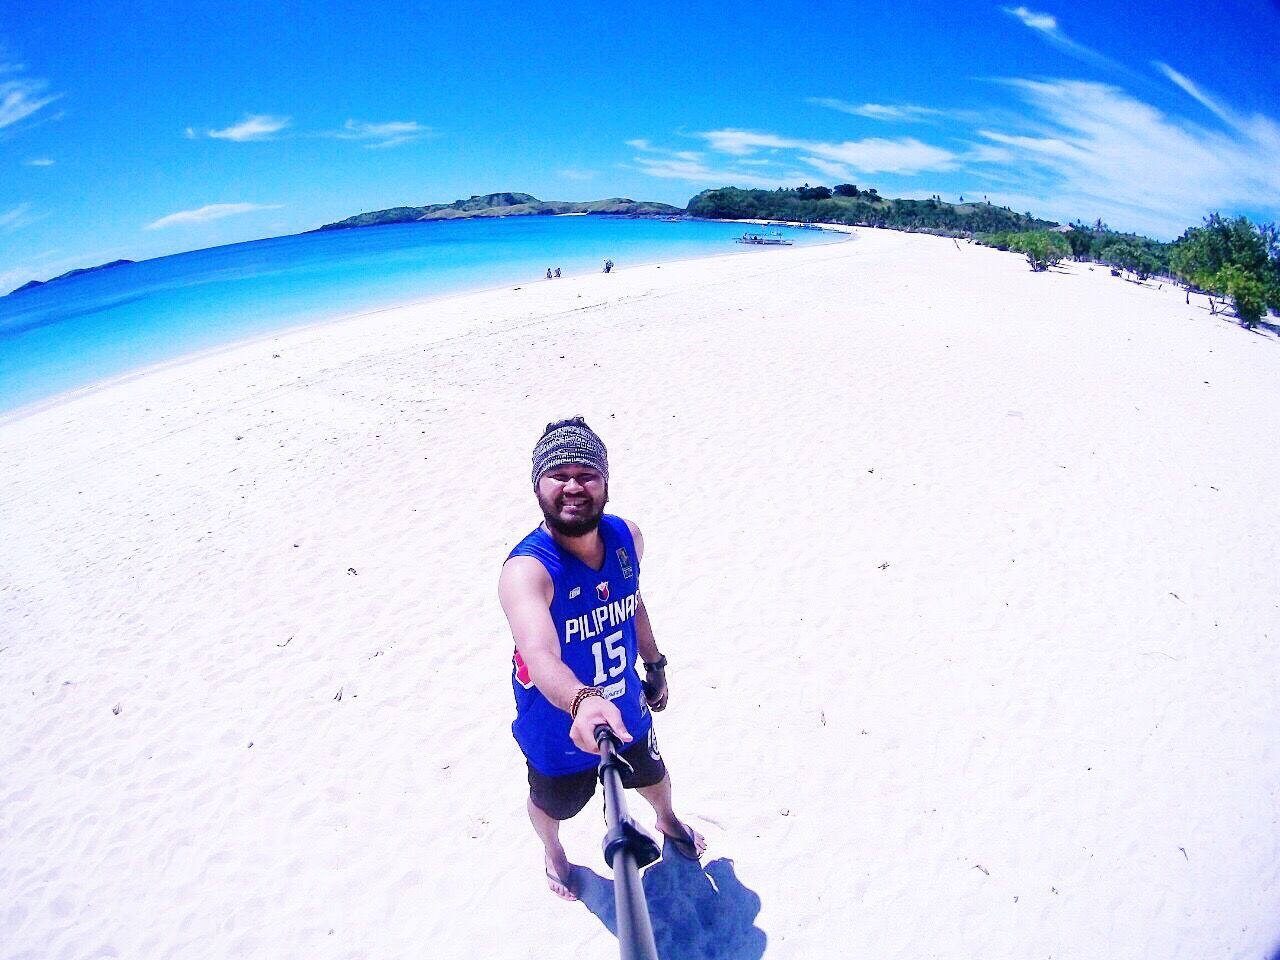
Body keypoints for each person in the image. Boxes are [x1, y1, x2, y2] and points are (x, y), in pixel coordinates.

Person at [499, 417, 706, 901]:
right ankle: (553, 853)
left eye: (587, 473)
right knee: (555, 804)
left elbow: (632, 601)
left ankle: (666, 818)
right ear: (538, 487)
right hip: (558, 725)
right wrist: (582, 701)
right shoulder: (527, 570)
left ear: (606, 482)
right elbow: (538, 650)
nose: (574, 485)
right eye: (559, 474)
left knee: (652, 774)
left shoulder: (626, 538)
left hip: (626, 703)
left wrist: (653, 666)